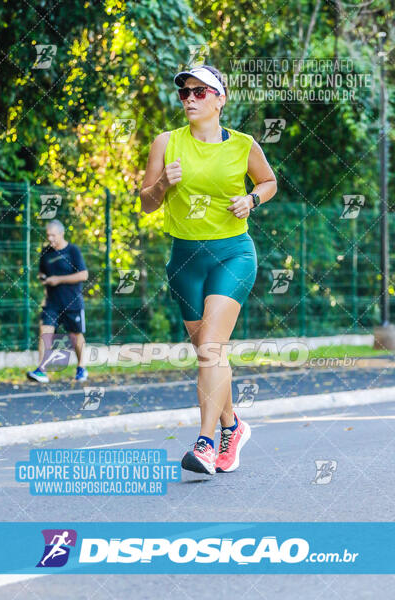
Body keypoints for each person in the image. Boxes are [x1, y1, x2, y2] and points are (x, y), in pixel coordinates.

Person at [140, 65, 277, 475]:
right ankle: (232, 426)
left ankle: (204, 443)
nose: (190, 99)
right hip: (185, 261)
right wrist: (163, 183)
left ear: (220, 98)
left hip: (233, 254)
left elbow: (269, 181)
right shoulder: (165, 143)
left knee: (211, 348)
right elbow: (147, 202)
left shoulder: (243, 145)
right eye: (184, 93)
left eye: (200, 92)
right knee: (208, 352)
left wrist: (251, 200)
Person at [27, 219, 89, 383]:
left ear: (61, 234)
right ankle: (42, 370)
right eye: (48, 236)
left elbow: (83, 275)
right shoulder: (45, 252)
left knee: (75, 336)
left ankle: (81, 367)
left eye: (53, 235)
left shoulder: (73, 251)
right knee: (45, 332)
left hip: (72, 302)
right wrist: (44, 279)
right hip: (52, 303)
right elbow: (42, 273)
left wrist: (58, 279)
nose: (51, 239)